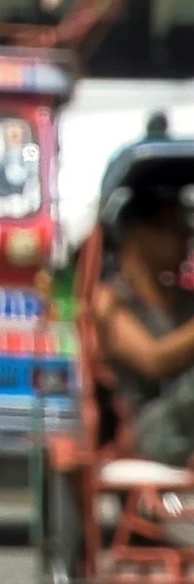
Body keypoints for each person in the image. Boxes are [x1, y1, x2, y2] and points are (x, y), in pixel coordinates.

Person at [96, 184, 194, 466]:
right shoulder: (111, 301)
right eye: (174, 229)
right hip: (153, 426)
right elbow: (153, 360)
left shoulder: (182, 300)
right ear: (139, 233)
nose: (185, 239)